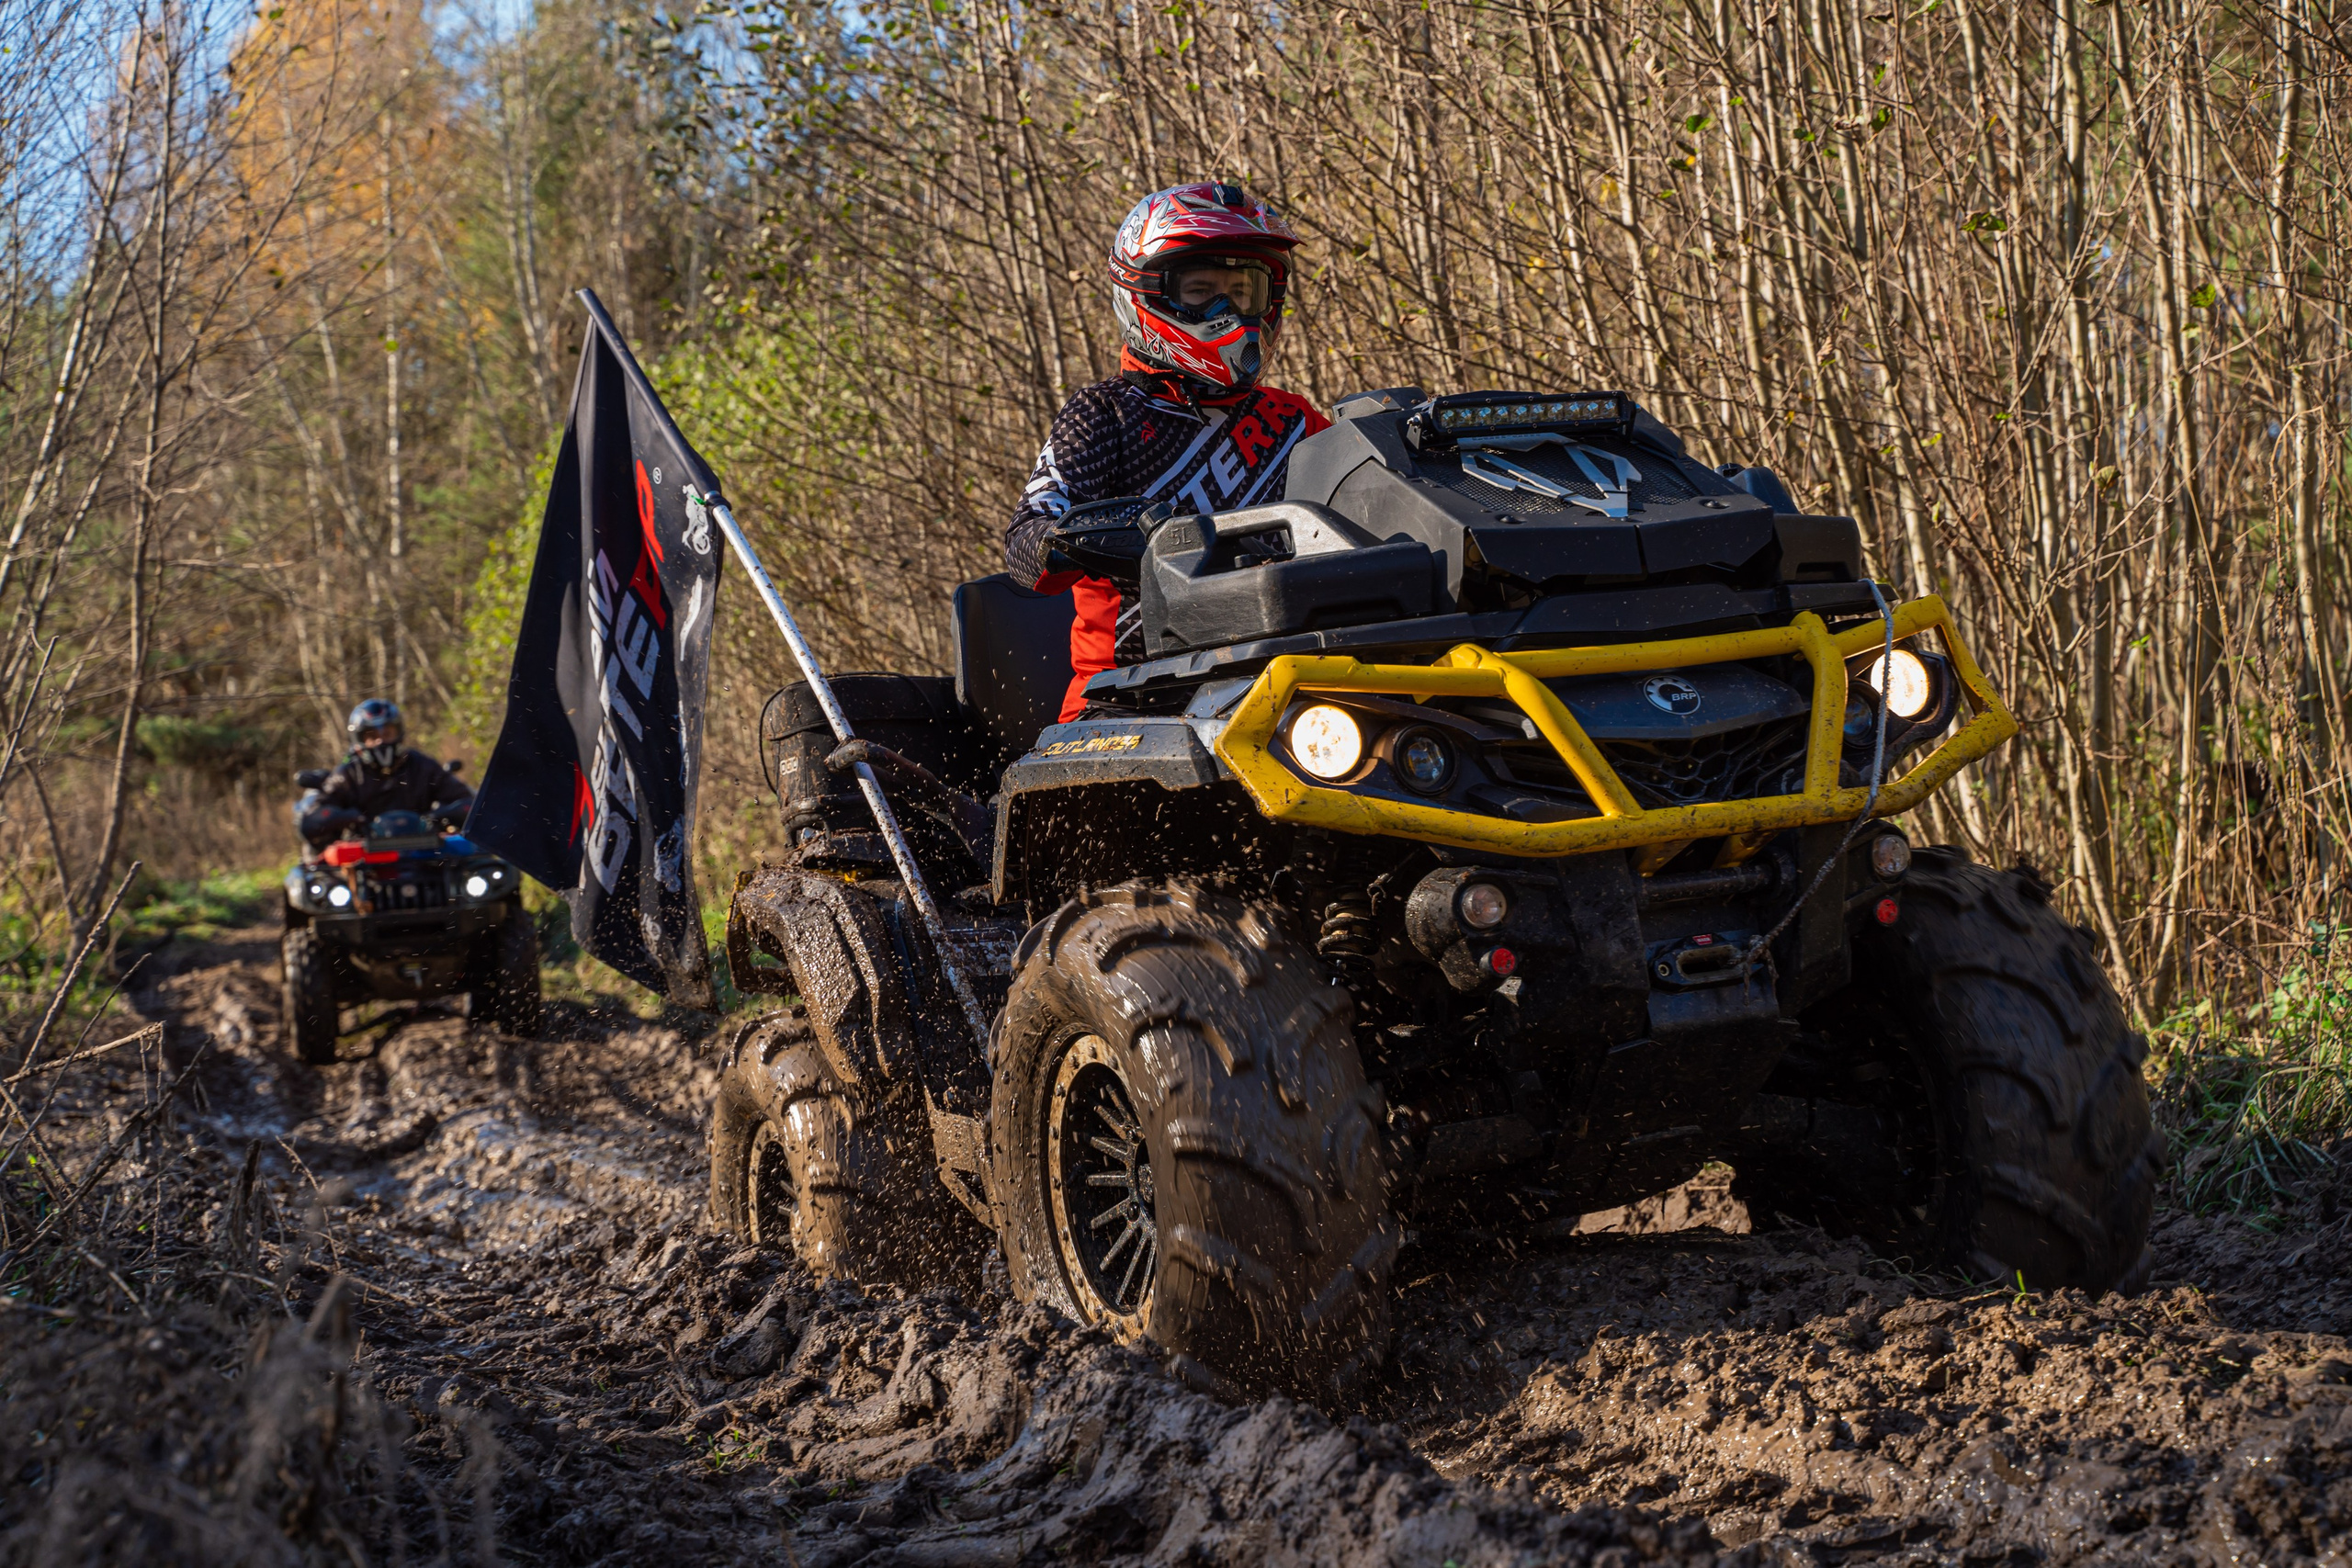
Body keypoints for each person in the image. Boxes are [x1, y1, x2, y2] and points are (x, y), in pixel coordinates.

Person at [1005, 182, 1331, 721]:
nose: (1229, 310)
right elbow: (1025, 548)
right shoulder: (1105, 413)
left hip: (1283, 688)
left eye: (1243, 291)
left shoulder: (1295, 420)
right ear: (1147, 292)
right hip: (1127, 698)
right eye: (1202, 291)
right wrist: (1087, 537)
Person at [299, 698, 473, 850]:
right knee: (318, 881)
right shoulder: (348, 773)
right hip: (365, 857)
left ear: (399, 733)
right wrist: (347, 818)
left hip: (425, 851)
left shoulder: (422, 765)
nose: (380, 741)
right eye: (372, 736)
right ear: (359, 740)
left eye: (387, 733)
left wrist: (441, 815)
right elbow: (315, 817)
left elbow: (467, 802)